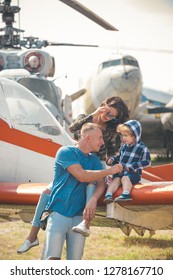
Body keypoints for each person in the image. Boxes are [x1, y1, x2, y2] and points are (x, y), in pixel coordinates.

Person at [17, 96, 129, 253]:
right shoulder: (85, 118)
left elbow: (111, 151)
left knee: (90, 188)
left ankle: (85, 225)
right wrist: (94, 114)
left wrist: (108, 162)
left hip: (96, 162)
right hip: (77, 159)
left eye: (113, 116)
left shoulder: (111, 130)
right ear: (103, 106)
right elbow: (73, 129)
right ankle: (32, 236)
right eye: (108, 112)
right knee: (46, 192)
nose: (109, 117)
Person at [41, 123, 123, 260]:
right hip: (58, 213)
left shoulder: (95, 161)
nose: (102, 142)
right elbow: (82, 175)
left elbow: (101, 184)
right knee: (51, 260)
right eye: (100, 138)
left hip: (80, 218)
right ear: (88, 138)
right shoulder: (65, 152)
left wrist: (93, 199)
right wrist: (110, 171)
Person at [104, 120, 151, 203]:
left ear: (135, 136)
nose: (123, 138)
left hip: (133, 173)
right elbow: (119, 157)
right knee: (116, 179)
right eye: (122, 135)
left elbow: (147, 162)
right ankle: (108, 195)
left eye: (126, 135)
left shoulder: (142, 147)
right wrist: (112, 160)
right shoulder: (124, 147)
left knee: (125, 178)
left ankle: (126, 194)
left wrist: (132, 166)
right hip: (120, 172)